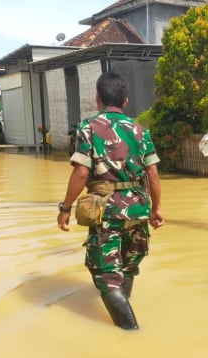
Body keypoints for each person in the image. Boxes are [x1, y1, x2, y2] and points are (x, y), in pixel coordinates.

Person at [57, 71, 165, 330]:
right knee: (127, 268)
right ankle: (123, 309)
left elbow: (81, 172)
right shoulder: (141, 131)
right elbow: (153, 173)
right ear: (125, 101)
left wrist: (65, 208)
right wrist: (157, 208)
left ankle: (131, 334)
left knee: (107, 278)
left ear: (98, 98)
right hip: (138, 209)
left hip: (107, 212)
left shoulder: (87, 128)